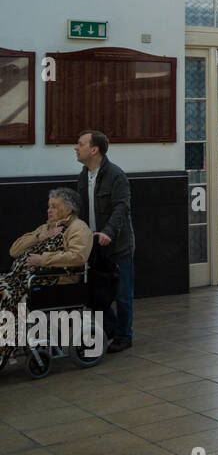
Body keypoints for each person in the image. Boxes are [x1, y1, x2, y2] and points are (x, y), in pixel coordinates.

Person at [2, 188, 93, 362]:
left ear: (68, 209)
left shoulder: (78, 228)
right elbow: (14, 250)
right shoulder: (46, 227)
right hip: (24, 277)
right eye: (49, 206)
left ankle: (5, 349)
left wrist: (42, 260)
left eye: (54, 206)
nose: (49, 210)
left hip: (55, 282)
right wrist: (39, 237)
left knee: (5, 293)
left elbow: (78, 257)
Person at [74, 130, 136, 353]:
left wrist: (108, 232)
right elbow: (80, 209)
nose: (76, 148)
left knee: (122, 294)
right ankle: (111, 328)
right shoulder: (83, 176)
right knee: (96, 294)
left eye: (80, 144)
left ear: (94, 149)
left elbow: (121, 208)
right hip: (94, 245)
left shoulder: (116, 175)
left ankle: (124, 336)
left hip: (118, 245)